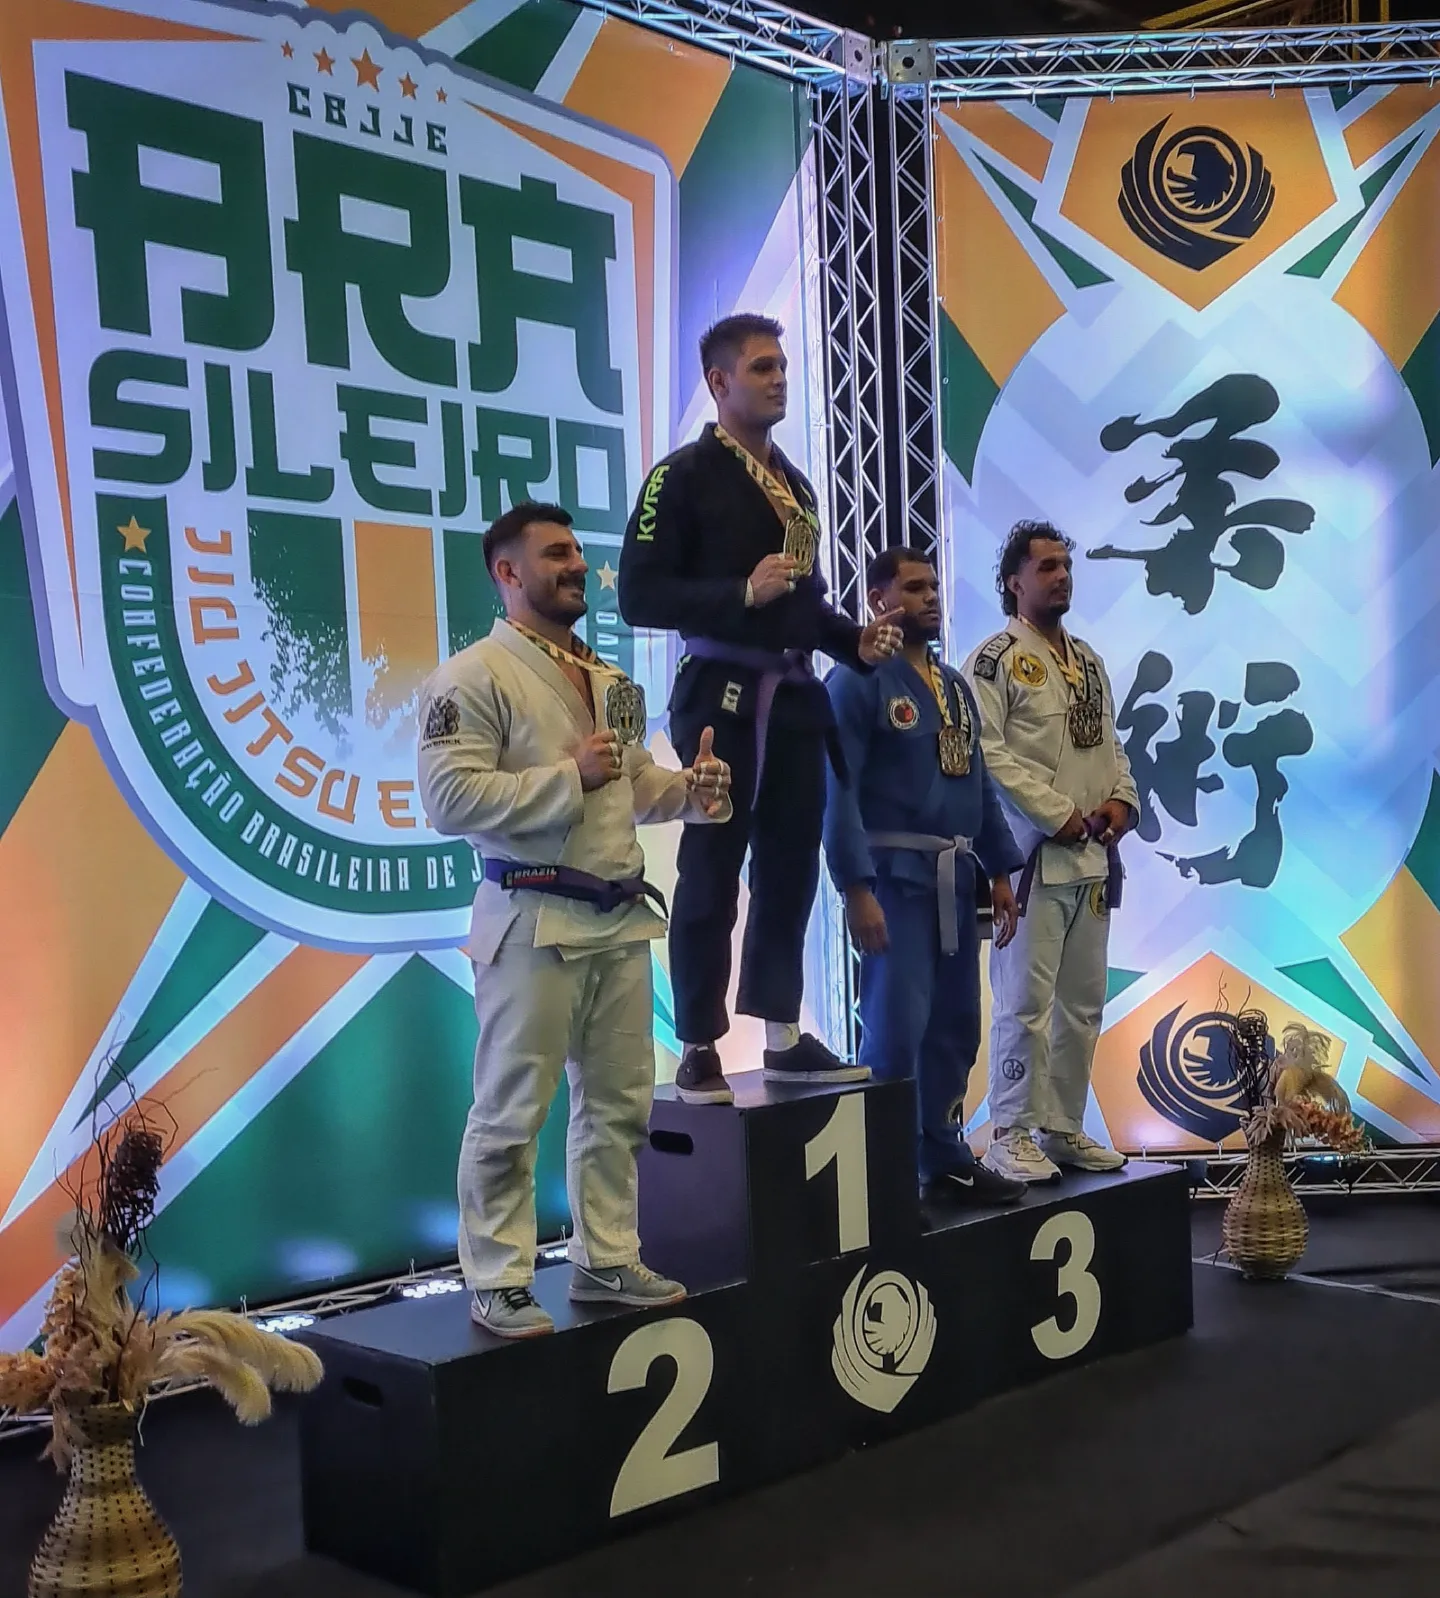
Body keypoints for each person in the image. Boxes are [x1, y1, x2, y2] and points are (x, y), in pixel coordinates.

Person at [418, 502, 733, 1338]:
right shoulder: (471, 677)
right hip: (530, 915)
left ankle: (607, 1258)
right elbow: (448, 800)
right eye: (555, 555)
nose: (577, 567)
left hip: (618, 918)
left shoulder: (608, 679)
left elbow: (632, 787)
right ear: (507, 572)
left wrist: (692, 791)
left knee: (620, 1107)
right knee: (512, 1111)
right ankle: (497, 1278)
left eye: (578, 555)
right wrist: (569, 777)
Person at [618, 312, 903, 1105]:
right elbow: (640, 594)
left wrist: (854, 643)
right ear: (719, 382)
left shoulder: (796, 484)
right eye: (761, 368)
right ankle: (698, 1043)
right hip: (721, 692)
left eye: (781, 366)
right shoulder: (680, 477)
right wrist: (739, 592)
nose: (779, 379)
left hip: (797, 694)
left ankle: (781, 1034)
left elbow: (803, 602)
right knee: (714, 865)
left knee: (789, 865)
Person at [824, 549, 1027, 1206]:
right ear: (879, 600)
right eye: (914, 588)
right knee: (895, 1030)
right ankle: (884, 1177)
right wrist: (856, 888)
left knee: (955, 1027)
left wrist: (999, 870)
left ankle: (944, 1157)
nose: (931, 596)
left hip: (953, 879)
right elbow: (837, 789)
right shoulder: (856, 679)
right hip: (893, 880)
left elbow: (978, 782)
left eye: (934, 585)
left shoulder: (954, 686)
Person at [963, 520, 1138, 1184]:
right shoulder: (994, 660)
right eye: (1047, 567)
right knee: (1024, 1004)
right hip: (1030, 858)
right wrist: (1054, 812)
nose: (1062, 576)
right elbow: (986, 753)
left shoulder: (1088, 660)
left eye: (1066, 565)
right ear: (1014, 582)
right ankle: (1010, 1131)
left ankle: (1062, 1127)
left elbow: (1111, 744)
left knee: (1083, 1004)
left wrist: (1122, 801)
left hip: (1091, 858)